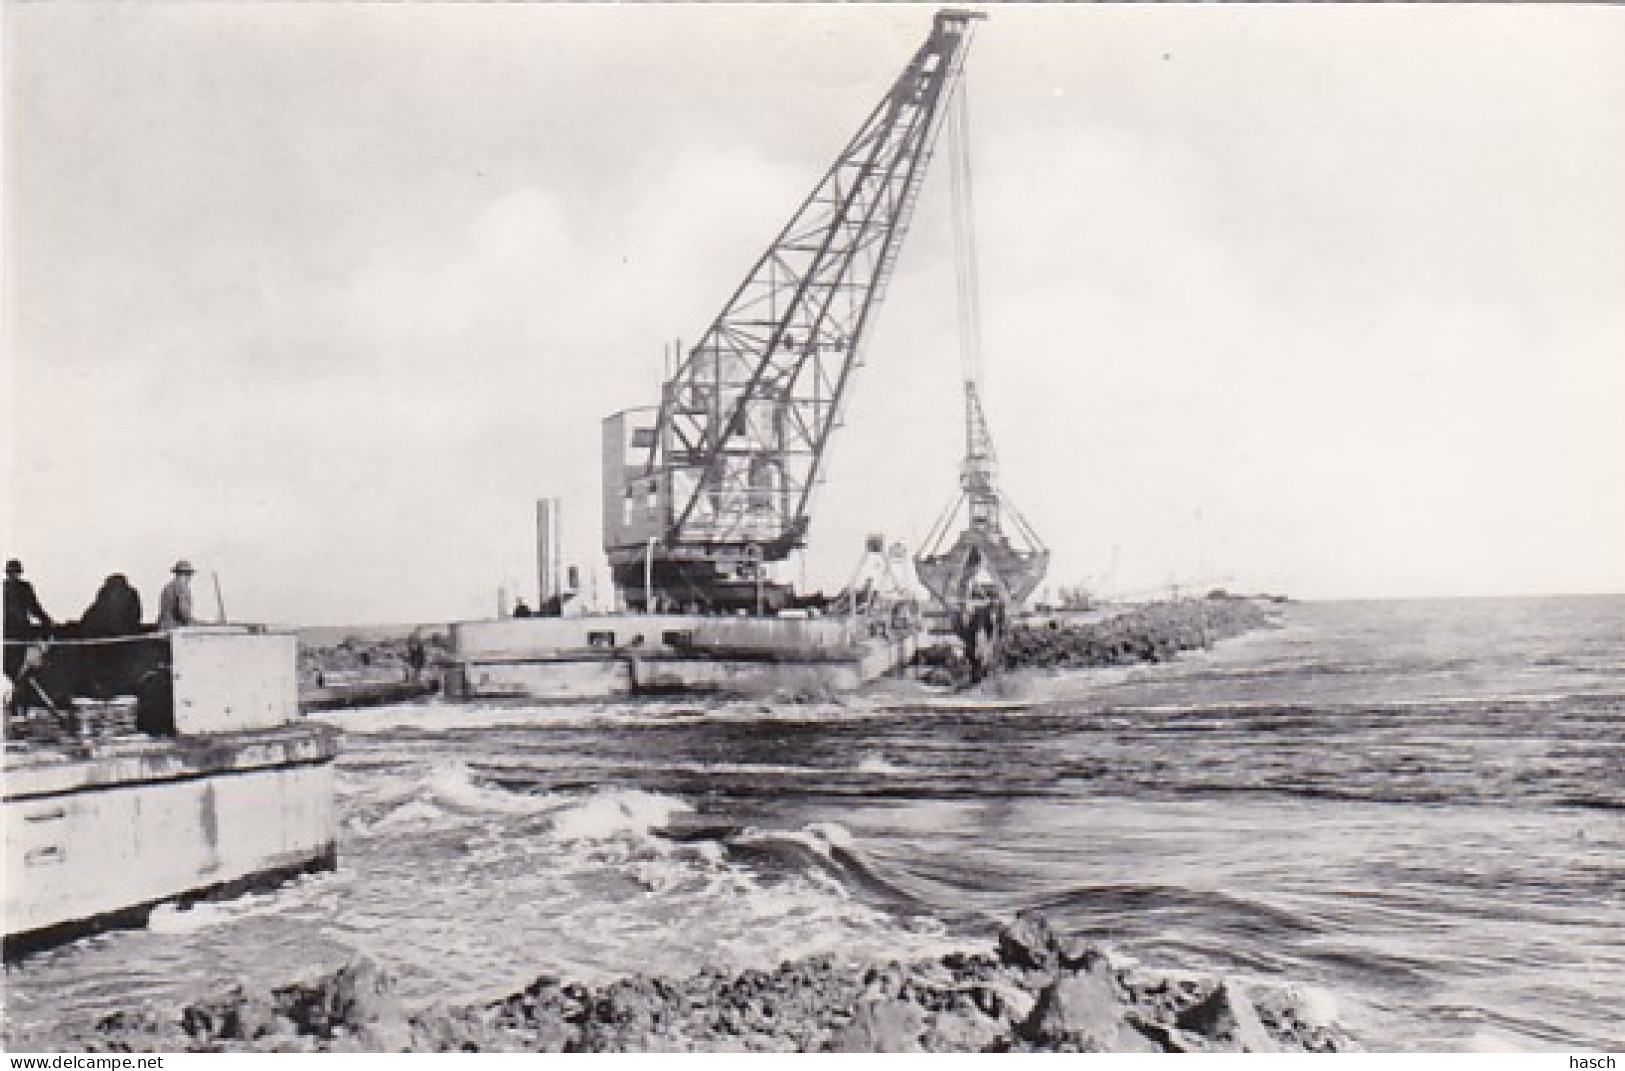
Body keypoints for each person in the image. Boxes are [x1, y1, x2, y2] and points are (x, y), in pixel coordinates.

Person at [81, 574, 145, 698]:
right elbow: (136, 615)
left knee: (103, 668)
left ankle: (103, 690)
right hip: (123, 638)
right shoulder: (130, 593)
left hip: (101, 639)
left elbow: (93, 616)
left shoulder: (103, 593)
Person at [5, 559, 55, 682]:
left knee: (24, 656)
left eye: (16, 573)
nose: (14, 576)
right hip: (8, 631)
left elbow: (34, 607)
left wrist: (47, 621)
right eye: (11, 573)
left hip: (21, 630)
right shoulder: (4, 588)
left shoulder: (24, 588)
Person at [156, 560, 197, 630]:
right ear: (183, 574)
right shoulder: (182, 588)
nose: (189, 578)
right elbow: (183, 613)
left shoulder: (167, 588)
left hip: (163, 627)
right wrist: (196, 623)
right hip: (176, 629)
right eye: (188, 574)